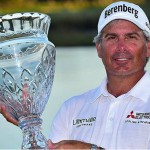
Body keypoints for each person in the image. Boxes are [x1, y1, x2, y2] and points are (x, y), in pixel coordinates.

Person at [1, 1, 150, 149]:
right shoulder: (71, 109)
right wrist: (28, 123)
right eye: (112, 37)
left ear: (148, 48)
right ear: (99, 48)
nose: (121, 47)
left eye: (131, 37)